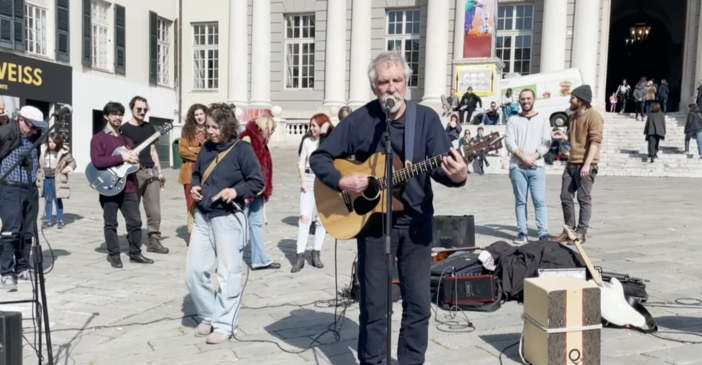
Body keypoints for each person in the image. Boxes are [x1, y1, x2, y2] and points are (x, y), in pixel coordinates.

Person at [309, 52, 468, 365]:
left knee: (419, 304)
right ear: (374, 88)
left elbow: (441, 168)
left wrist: (458, 176)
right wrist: (344, 182)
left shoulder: (425, 120)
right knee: (374, 306)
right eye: (384, 82)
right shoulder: (362, 119)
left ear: (406, 84)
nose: (391, 88)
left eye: (397, 80)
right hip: (372, 226)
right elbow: (320, 159)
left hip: (416, 223)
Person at [185, 103, 264, 344]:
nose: (209, 131)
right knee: (194, 272)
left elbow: (257, 182)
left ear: (228, 127)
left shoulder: (243, 150)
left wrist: (236, 190)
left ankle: (224, 324)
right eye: (207, 126)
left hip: (229, 218)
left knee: (228, 273)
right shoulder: (206, 148)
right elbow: (197, 173)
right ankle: (209, 314)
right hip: (203, 216)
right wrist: (196, 186)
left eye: (214, 127)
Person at [90, 102, 154, 268]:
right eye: (114, 114)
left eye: (120, 114)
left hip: (129, 186)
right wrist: (122, 157)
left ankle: (135, 253)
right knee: (111, 223)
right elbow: (97, 162)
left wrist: (135, 160)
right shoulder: (98, 139)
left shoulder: (127, 140)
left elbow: (132, 164)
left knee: (135, 222)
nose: (118, 117)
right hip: (109, 187)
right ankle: (114, 255)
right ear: (106, 116)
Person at [551, 85, 603, 244]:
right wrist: (563, 137)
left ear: (581, 101)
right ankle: (568, 230)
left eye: (572, 98)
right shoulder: (573, 117)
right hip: (571, 163)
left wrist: (587, 165)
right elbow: (575, 140)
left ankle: (581, 232)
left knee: (583, 198)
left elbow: (595, 142)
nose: (570, 100)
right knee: (565, 196)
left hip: (586, 164)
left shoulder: (594, 116)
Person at [0, 106, 44, 291]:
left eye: (37, 127)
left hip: (30, 187)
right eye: (32, 126)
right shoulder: (6, 132)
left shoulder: (36, 136)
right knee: (11, 230)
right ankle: (6, 272)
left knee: (28, 230)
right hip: (10, 188)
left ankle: (22, 267)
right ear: (21, 120)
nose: (34, 130)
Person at [120, 96, 169, 254]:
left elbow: (153, 151)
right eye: (139, 109)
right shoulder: (124, 129)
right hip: (132, 173)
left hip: (150, 172)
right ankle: (133, 240)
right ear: (132, 108)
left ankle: (154, 241)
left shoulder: (150, 128)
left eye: (144, 109)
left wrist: (159, 172)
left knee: (154, 210)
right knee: (132, 210)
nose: (142, 112)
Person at [504, 89, 552, 244]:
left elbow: (547, 142)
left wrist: (533, 158)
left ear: (534, 99)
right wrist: (524, 158)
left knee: (539, 201)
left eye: (528, 98)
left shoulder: (543, 119)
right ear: (519, 101)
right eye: (523, 99)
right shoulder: (513, 120)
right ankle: (522, 232)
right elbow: (509, 142)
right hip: (517, 166)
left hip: (537, 166)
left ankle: (543, 233)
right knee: (520, 201)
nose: (526, 101)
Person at [293, 113, 334, 273]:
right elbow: (301, 162)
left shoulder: (329, 142)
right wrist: (303, 180)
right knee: (304, 218)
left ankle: (316, 253)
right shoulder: (307, 141)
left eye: (314, 125)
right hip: (309, 180)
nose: (311, 128)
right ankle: (299, 256)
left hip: (324, 182)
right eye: (310, 125)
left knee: (322, 220)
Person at [239, 114, 281, 270]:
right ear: (265, 128)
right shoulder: (247, 139)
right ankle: (230, 261)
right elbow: (240, 166)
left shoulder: (260, 142)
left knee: (255, 224)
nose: (271, 134)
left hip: (257, 191)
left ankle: (259, 259)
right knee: (239, 226)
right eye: (271, 130)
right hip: (245, 191)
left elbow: (265, 168)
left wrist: (265, 190)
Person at [37, 132, 76, 229]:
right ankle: (48, 220)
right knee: (47, 200)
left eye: (54, 142)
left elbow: (73, 162)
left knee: (57, 199)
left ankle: (60, 220)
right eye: (50, 141)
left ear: (58, 142)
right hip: (46, 179)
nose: (51, 144)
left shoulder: (63, 153)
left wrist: (67, 169)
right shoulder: (43, 150)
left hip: (57, 179)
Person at [179, 103, 208, 214]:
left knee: (206, 202)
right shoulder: (187, 131)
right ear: (193, 116)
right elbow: (183, 151)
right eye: (196, 115)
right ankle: (191, 231)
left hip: (207, 169)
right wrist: (202, 152)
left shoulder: (211, 130)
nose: (199, 117)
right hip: (189, 170)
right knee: (191, 204)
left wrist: (193, 149)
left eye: (201, 114)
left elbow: (213, 151)